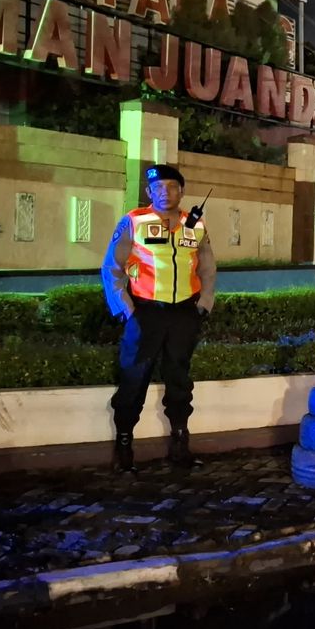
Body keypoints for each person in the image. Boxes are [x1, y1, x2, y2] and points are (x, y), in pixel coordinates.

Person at [102, 164, 216, 472]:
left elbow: (206, 266)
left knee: (179, 379)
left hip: (184, 312)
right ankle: (124, 447)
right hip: (145, 312)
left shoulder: (195, 224)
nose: (166, 192)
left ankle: (180, 444)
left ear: (182, 191)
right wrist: (126, 308)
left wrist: (204, 303)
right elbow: (112, 267)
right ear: (149, 192)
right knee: (134, 378)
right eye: (159, 188)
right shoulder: (134, 221)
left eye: (172, 187)